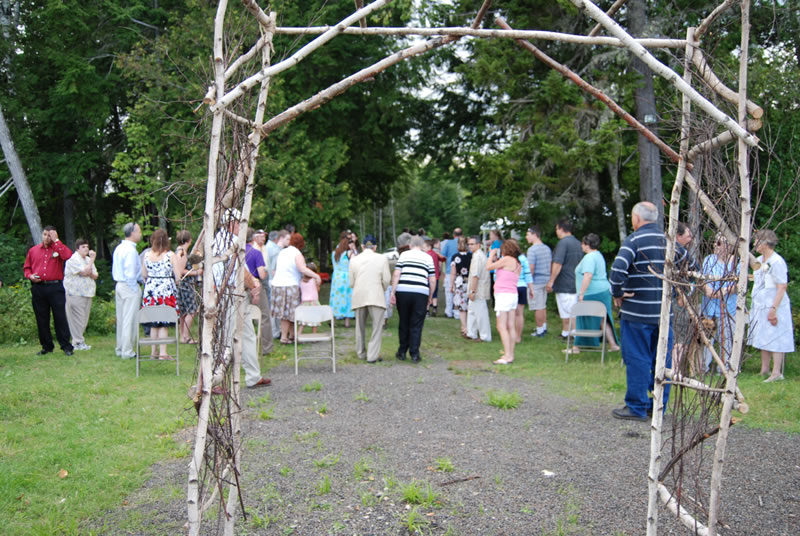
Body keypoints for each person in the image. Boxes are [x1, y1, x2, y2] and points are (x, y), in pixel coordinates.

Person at [609, 201, 690, 421]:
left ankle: (636, 407)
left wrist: (618, 293)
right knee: (661, 361)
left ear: (636, 218)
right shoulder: (670, 242)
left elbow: (617, 271)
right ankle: (658, 406)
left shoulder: (634, 241)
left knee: (637, 359)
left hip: (637, 313)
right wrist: (679, 290)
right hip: (664, 315)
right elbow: (691, 267)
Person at [749, 229, 794, 382]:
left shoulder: (777, 261)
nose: (754, 244)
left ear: (765, 243)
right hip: (761, 302)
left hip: (774, 301)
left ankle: (776, 372)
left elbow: (782, 286)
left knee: (776, 335)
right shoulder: (759, 260)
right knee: (763, 334)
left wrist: (774, 309)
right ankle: (764, 369)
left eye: (757, 241)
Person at [23, 226, 74, 356]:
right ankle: (46, 346)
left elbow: (68, 255)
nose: (46, 237)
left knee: (60, 317)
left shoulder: (58, 248)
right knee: (42, 318)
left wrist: (56, 241)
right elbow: (27, 268)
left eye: (49, 235)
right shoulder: (33, 250)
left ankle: (66, 346)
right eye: (45, 234)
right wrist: (30, 276)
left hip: (55, 287)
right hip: (39, 287)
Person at [570, 233, 620, 353]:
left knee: (582, 318)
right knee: (603, 318)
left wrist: (581, 293)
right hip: (603, 291)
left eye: (583, 243)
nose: (581, 246)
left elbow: (588, 275)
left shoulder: (590, 257)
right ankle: (613, 345)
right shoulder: (598, 255)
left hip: (591, 292)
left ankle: (576, 347)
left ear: (587, 244)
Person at [390, 235, 435, 362]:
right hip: (420, 292)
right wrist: (430, 296)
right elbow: (432, 279)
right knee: (417, 323)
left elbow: (396, 274)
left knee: (403, 321)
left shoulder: (404, 255)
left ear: (410, 245)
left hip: (403, 291)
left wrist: (393, 292)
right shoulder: (428, 257)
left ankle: (402, 351)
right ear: (422, 246)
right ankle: (415, 354)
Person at [271, 232, 321, 344]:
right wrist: (316, 276)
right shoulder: (296, 254)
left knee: (285, 313)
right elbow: (302, 269)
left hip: (277, 285)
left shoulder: (283, 252)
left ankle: (291, 335)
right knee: (290, 313)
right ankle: (284, 337)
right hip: (290, 286)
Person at [700, 234, 738, 372]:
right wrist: (708, 289)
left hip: (728, 307)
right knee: (706, 338)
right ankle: (703, 367)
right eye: (715, 242)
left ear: (729, 246)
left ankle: (726, 368)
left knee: (727, 338)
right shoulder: (709, 259)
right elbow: (703, 278)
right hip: (709, 307)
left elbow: (738, 284)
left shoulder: (736, 262)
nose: (716, 245)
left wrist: (723, 291)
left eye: (719, 243)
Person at [141, 229, 181, 360]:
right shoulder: (170, 255)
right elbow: (178, 275)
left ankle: (154, 351)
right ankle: (163, 352)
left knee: (154, 322)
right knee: (164, 322)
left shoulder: (147, 255)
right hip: (165, 290)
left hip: (151, 290)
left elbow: (144, 274)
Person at [349, 237, 391, 362]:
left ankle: (361, 353)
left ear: (362, 246)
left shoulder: (354, 260)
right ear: (375, 247)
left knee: (359, 327)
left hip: (359, 295)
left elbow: (351, 282)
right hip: (376, 295)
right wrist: (381, 288)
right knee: (377, 327)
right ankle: (372, 355)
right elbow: (386, 279)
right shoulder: (382, 258)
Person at [486, 240, 522, 364]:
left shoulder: (506, 259)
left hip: (503, 295)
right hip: (512, 294)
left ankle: (507, 355)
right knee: (510, 325)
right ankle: (510, 353)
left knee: (501, 326)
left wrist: (491, 255)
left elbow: (488, 267)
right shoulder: (517, 263)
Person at [546, 219, 582, 339]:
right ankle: (566, 333)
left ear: (561, 229)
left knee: (569, 311)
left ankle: (574, 336)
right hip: (576, 282)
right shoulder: (578, 243)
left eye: (557, 229)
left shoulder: (563, 243)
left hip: (565, 283)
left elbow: (557, 263)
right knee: (569, 310)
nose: (556, 231)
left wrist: (551, 281)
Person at [112, 222, 143, 359]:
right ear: (132, 233)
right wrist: (135, 288)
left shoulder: (119, 248)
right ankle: (127, 351)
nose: (140, 234)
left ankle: (120, 348)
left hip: (119, 284)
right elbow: (130, 272)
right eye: (139, 231)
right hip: (128, 286)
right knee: (129, 319)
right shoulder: (130, 250)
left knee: (121, 319)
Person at [63, 238, 98, 351]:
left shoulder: (87, 260)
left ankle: (78, 341)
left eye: (87, 247)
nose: (86, 249)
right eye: (83, 247)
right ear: (77, 249)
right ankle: (77, 342)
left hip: (88, 292)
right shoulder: (73, 260)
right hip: (75, 293)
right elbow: (84, 272)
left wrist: (89, 267)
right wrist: (92, 260)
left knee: (84, 319)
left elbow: (95, 275)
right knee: (78, 318)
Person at [671, 223, 695, 375]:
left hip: (670, 298)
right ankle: (674, 369)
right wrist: (684, 294)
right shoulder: (680, 251)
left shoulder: (665, 248)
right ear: (678, 236)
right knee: (679, 336)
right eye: (688, 235)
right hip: (676, 299)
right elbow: (695, 269)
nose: (690, 239)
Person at [174, 230, 202, 345]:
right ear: (189, 240)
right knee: (192, 310)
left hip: (182, 285)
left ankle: (182, 336)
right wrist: (197, 272)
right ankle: (185, 336)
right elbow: (181, 271)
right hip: (185, 285)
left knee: (184, 312)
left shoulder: (179, 250)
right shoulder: (182, 253)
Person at [526, 226, 552, 337]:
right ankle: (543, 326)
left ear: (534, 234)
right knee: (542, 305)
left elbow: (531, 268)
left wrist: (529, 283)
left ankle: (539, 330)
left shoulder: (532, 250)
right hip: (546, 279)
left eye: (528, 235)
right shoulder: (547, 248)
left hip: (536, 281)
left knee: (538, 307)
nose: (526, 237)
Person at [466, 236, 492, 342]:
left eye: (472, 244)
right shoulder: (478, 255)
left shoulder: (478, 257)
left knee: (481, 313)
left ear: (478, 245)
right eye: (469, 244)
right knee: (472, 311)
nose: (470, 246)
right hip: (476, 287)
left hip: (478, 289)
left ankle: (485, 336)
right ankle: (471, 333)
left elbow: (475, 275)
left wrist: (472, 291)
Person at [330, 233, 355, 327]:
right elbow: (354, 264)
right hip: (346, 277)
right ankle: (347, 321)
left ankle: (333, 319)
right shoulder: (349, 253)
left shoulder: (334, 253)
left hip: (336, 277)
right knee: (347, 298)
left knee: (335, 298)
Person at [267, 230, 288, 339]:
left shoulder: (270, 247)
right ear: (280, 238)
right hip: (274, 282)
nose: (289, 241)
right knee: (275, 308)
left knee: (274, 307)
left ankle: (276, 331)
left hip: (271, 281)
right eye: (287, 239)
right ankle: (276, 332)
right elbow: (274, 269)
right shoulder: (276, 250)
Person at [450, 236, 472, 337]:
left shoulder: (455, 257)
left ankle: (464, 327)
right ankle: (470, 327)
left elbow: (453, 273)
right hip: (470, 281)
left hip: (460, 282)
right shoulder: (471, 256)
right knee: (470, 306)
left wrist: (451, 285)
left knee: (462, 307)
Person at [514, 248, 535, 344]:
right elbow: (528, 274)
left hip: (510, 287)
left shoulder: (505, 258)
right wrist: (531, 288)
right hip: (522, 286)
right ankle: (518, 336)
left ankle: (512, 334)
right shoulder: (523, 258)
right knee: (519, 314)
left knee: (511, 313)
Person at [441, 228, 462, 318]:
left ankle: (448, 311)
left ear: (453, 235)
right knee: (459, 292)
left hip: (450, 269)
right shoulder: (464, 243)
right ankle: (457, 312)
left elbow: (443, 255)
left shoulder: (448, 243)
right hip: (461, 271)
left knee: (449, 291)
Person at [298, 261, 321, 336]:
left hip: (304, 302)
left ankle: (299, 333)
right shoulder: (314, 280)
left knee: (303, 320)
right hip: (313, 302)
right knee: (315, 320)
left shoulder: (301, 281)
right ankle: (314, 335)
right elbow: (317, 290)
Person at [423, 238, 445, 316]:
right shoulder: (436, 254)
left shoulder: (425, 255)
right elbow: (443, 259)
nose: (423, 249)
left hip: (427, 277)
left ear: (429, 247)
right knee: (434, 293)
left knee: (427, 294)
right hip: (436, 277)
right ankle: (435, 307)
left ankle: (427, 310)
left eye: (424, 247)